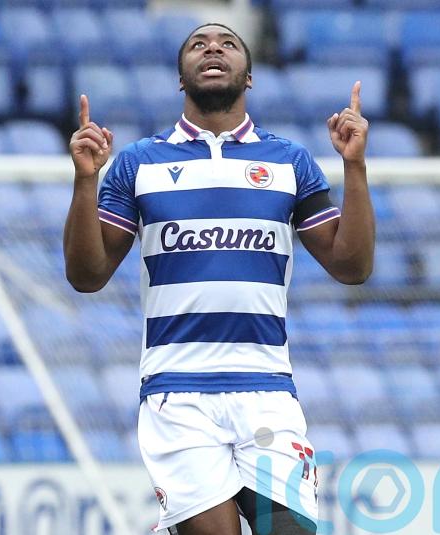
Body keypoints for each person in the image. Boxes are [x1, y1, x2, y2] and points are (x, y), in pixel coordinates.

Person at [64, 22, 375, 535]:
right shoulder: (139, 163)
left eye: (227, 44)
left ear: (248, 76)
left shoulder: (290, 162)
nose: (212, 48)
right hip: (177, 393)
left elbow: (353, 266)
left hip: (267, 390)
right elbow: (87, 275)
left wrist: (355, 167)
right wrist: (85, 180)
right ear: (179, 78)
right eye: (198, 45)